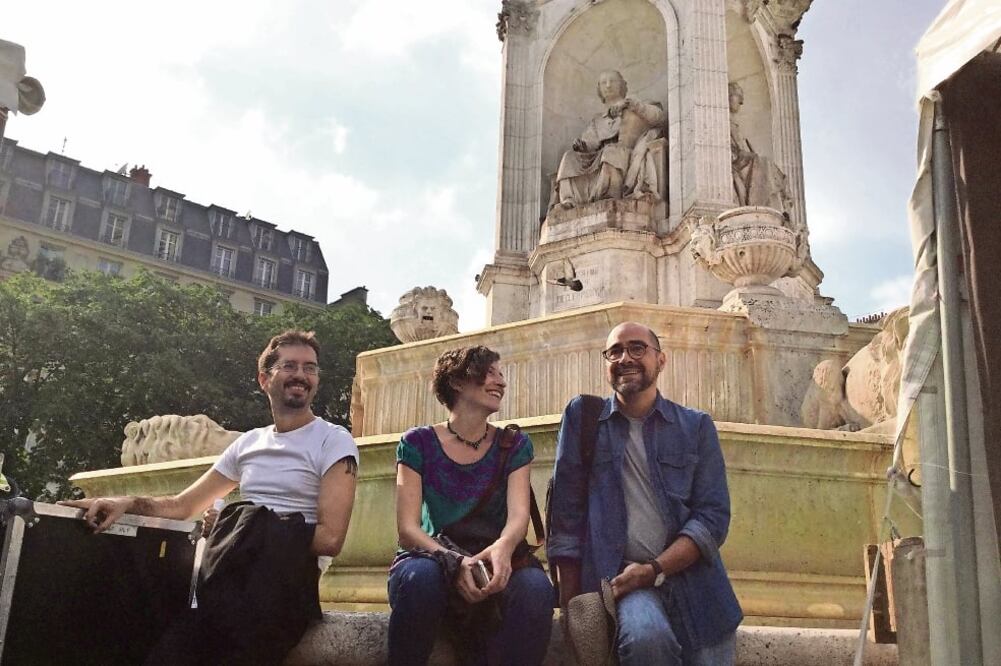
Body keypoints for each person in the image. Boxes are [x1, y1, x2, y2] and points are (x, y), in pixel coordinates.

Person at [61, 329, 359, 665]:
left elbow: (331, 538)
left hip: (280, 590)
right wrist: (125, 503)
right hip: (225, 582)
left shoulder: (334, 440)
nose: (302, 375)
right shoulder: (248, 443)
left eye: (310, 368)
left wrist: (237, 525)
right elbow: (183, 505)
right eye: (290, 366)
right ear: (264, 379)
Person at [547, 322, 742, 665]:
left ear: (661, 360)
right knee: (646, 639)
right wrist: (572, 606)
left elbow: (713, 518)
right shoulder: (584, 417)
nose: (625, 358)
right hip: (622, 581)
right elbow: (566, 515)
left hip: (696, 581)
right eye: (615, 351)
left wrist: (654, 568)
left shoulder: (696, 426)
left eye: (637, 348)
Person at [388, 346, 554, 665]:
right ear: (457, 382)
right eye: (489, 372)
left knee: (536, 588)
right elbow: (408, 529)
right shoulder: (416, 442)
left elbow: (519, 516)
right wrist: (455, 562)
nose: (500, 382)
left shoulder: (515, 443)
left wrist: (504, 549)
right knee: (419, 579)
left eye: (501, 374)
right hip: (432, 558)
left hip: (493, 558)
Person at [550, 70, 666, 210]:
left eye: (612, 81)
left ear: (623, 85)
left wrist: (633, 105)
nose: (608, 85)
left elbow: (659, 118)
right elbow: (590, 142)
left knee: (610, 152)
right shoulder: (598, 120)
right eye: (604, 83)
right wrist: (582, 146)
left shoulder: (636, 105)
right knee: (569, 157)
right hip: (600, 156)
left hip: (626, 152)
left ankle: (608, 194)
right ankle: (569, 200)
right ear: (599, 89)